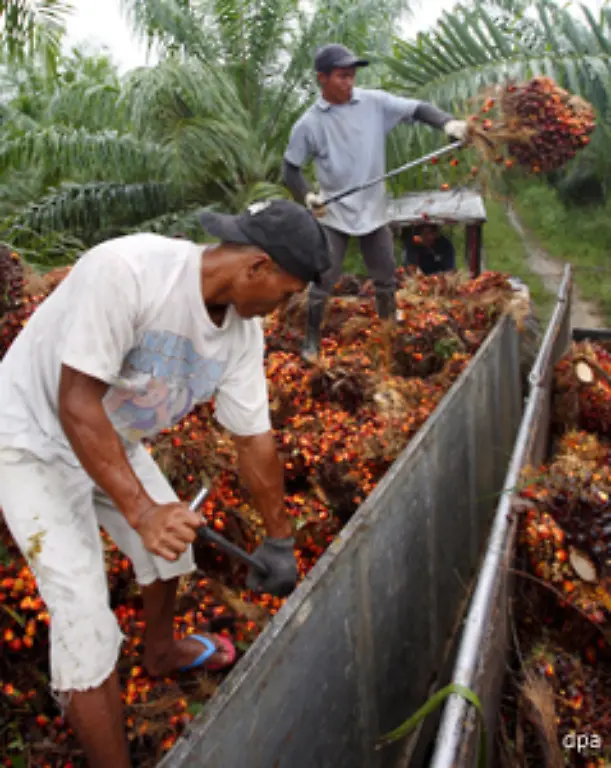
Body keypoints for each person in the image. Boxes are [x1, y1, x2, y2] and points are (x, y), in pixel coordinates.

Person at [0, 199, 331, 768]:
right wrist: (142, 510)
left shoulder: (241, 339)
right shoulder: (128, 273)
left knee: (173, 554)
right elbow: (77, 402)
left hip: (110, 438)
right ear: (256, 267)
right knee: (85, 620)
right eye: (285, 293)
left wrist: (280, 539)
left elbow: (255, 441)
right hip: (30, 439)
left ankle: (160, 651)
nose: (284, 307)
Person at [282, 42, 469, 360]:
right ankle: (311, 338)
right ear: (322, 78)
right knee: (323, 279)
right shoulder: (309, 124)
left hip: (374, 209)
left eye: (352, 75)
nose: (349, 82)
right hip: (334, 212)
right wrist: (308, 196)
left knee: (385, 276)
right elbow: (290, 169)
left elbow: (418, 109)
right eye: (342, 76)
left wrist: (448, 123)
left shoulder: (374, 104)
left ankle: (388, 332)